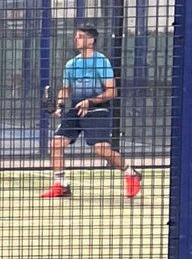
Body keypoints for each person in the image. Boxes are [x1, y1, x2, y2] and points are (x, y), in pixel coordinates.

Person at [42, 24, 141, 200]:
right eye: (76, 36)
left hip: (98, 109)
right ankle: (61, 185)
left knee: (102, 150)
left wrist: (90, 101)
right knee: (56, 144)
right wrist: (59, 105)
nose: (76, 39)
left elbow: (112, 91)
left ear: (91, 40)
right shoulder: (71, 64)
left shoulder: (102, 62)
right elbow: (66, 89)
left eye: (80, 36)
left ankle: (131, 173)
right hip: (75, 109)